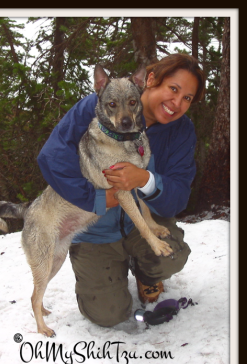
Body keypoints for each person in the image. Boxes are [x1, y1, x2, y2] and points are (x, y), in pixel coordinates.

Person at [37, 53, 205, 328]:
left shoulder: (181, 130)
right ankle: (104, 274)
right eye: (173, 89)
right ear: (149, 80)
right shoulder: (100, 106)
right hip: (96, 229)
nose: (177, 103)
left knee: (169, 257)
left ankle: (146, 272)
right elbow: (52, 158)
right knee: (108, 314)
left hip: (144, 221)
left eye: (187, 98)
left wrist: (144, 179)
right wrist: (96, 198)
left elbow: (178, 196)